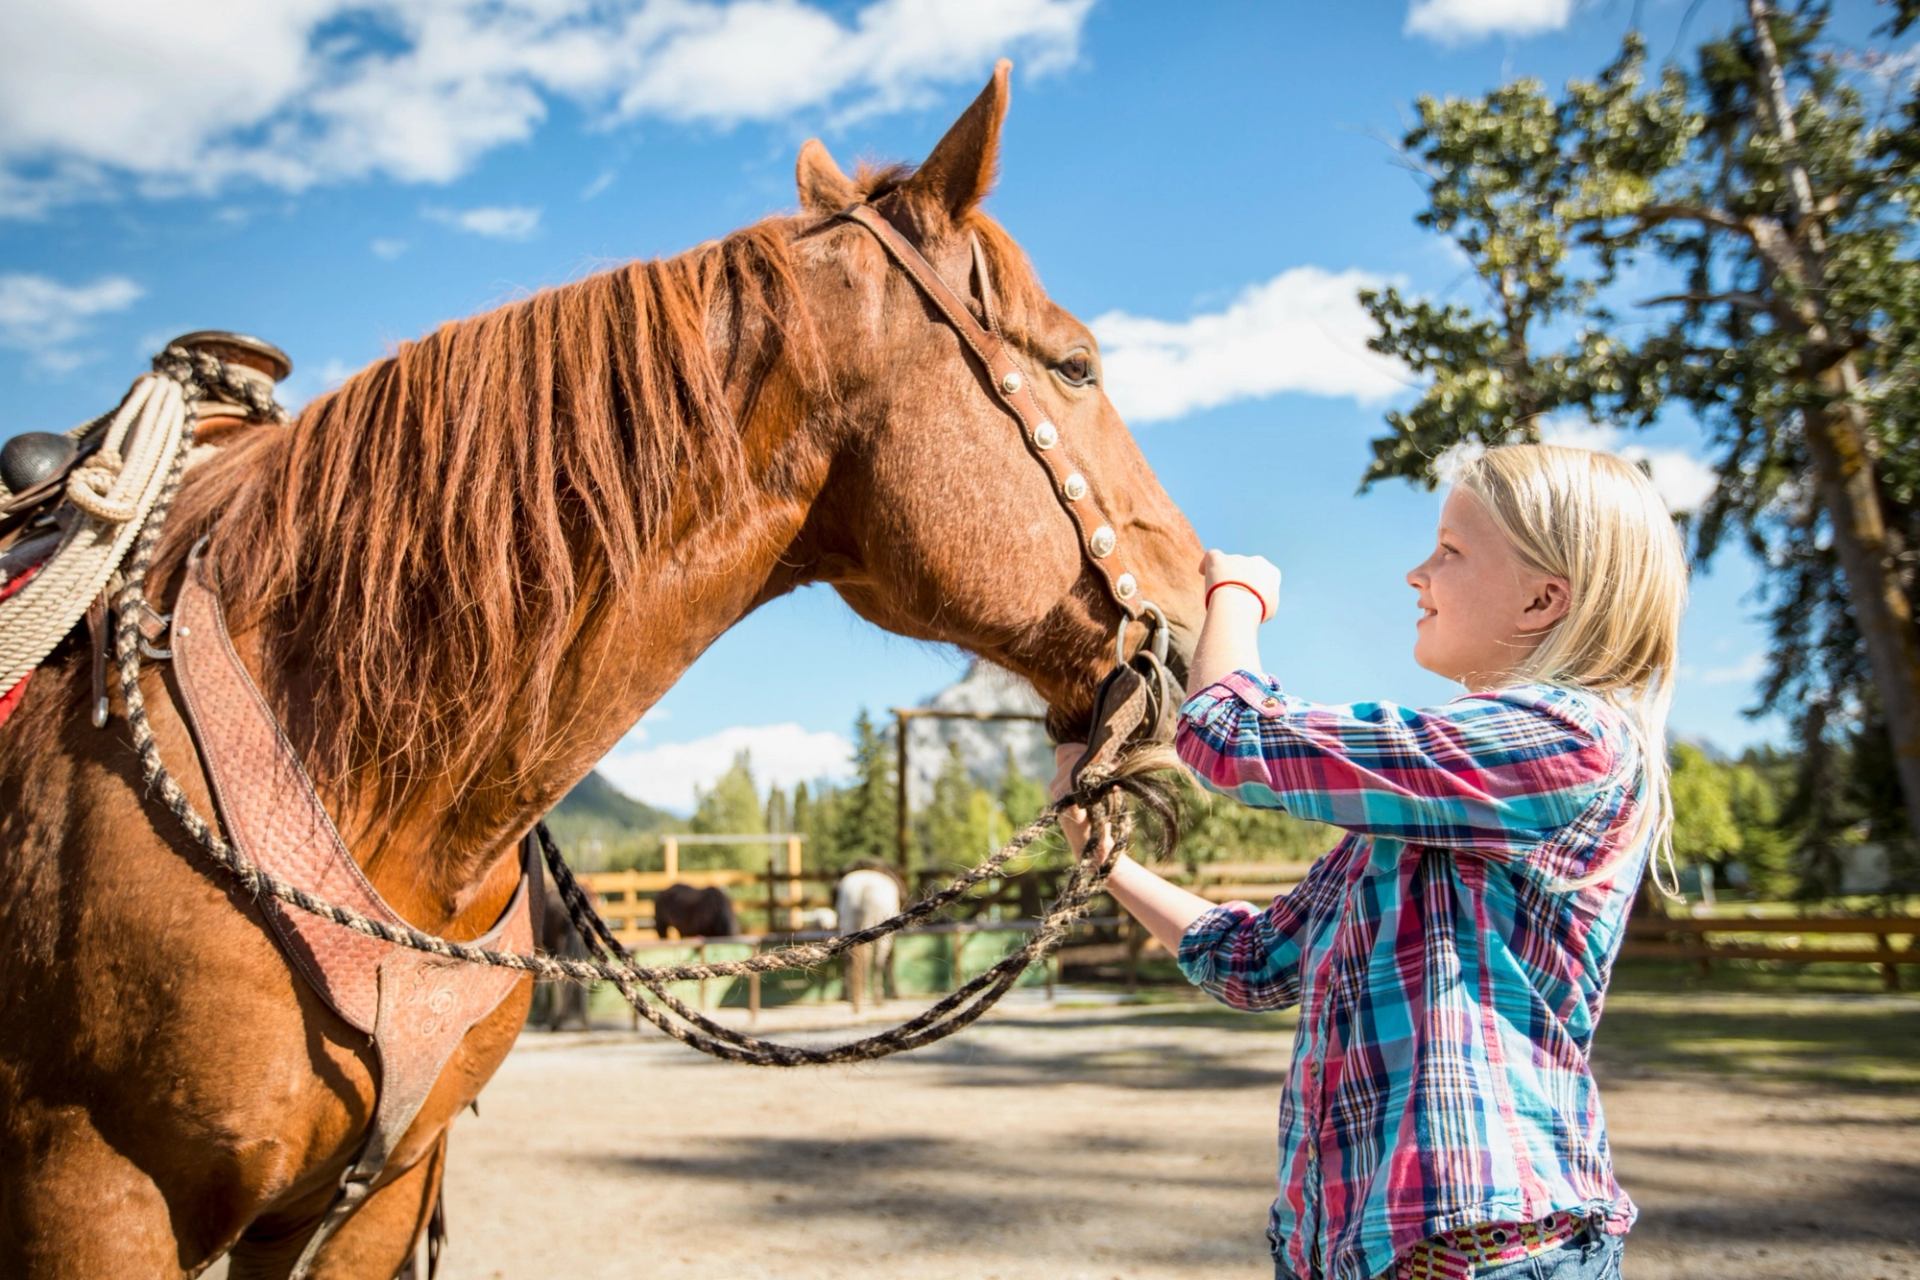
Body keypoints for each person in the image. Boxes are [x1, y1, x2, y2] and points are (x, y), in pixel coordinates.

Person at [1051, 443, 1686, 1280]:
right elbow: (1253, 962)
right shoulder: (1418, 824)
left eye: (1451, 551)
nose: (1417, 575)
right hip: (1345, 1251)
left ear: (1544, 598)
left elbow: (1230, 737)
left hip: (1483, 1254)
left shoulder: (1571, 741)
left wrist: (1232, 597)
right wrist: (1103, 858)